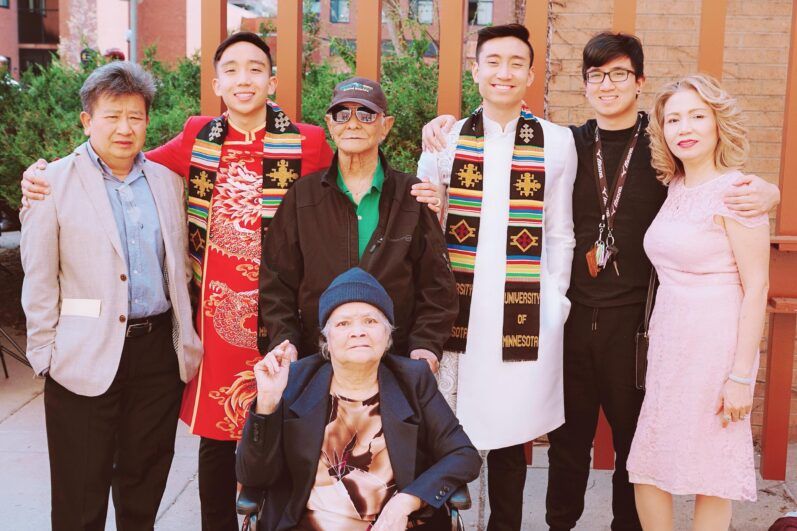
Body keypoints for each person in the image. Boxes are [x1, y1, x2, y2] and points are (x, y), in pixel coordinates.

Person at [421, 32, 780, 531]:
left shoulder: (661, 152)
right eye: (596, 76)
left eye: (618, 74)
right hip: (572, 317)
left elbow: (714, 181)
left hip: (638, 325)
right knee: (567, 445)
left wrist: (767, 189)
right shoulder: (567, 141)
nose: (607, 85)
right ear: (585, 85)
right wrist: (440, 129)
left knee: (636, 446)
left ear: (639, 81)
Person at [19, 31, 334, 531]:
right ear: (215, 82)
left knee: (279, 438)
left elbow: (351, 185)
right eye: (231, 69)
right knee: (213, 443)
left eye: (255, 68)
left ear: (273, 80)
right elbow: (108, 162)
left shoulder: (309, 142)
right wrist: (40, 175)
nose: (244, 79)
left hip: (280, 320)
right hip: (211, 323)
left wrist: (426, 172)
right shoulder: (196, 138)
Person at [19, 61, 203, 530]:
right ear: (86, 120)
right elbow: (38, 277)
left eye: (136, 116)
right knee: (80, 489)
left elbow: (178, 264)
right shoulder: (50, 183)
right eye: (112, 115)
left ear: (147, 121)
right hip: (82, 356)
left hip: (158, 356)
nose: (125, 128)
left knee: (145, 480)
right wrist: (46, 353)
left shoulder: (167, 182)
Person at [417, 24, 576, 530]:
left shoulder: (555, 143)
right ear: (475, 70)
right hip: (459, 311)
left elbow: (560, 232)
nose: (503, 72)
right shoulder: (446, 141)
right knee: (446, 434)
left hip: (522, 311)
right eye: (493, 61)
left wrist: (555, 300)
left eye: (515, 63)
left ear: (530, 74)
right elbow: (425, 229)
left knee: (512, 436)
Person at [626, 74, 769, 530]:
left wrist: (742, 377)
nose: (683, 126)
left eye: (696, 115)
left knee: (712, 472)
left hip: (715, 346)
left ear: (717, 123)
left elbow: (757, 289)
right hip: (670, 345)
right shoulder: (675, 186)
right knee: (647, 466)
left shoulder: (739, 192)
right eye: (672, 118)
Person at [236, 267, 481, 530]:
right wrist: (268, 403)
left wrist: (406, 501)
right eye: (343, 323)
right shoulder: (294, 380)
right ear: (326, 340)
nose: (358, 331)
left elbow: (463, 454)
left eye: (371, 321)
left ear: (387, 335)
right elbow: (254, 476)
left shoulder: (413, 380)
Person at [260, 77, 458, 371]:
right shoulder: (303, 196)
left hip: (396, 365)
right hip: (318, 363)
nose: (353, 123)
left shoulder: (412, 196)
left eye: (366, 114)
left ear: (385, 126)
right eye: (342, 114)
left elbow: (437, 286)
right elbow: (276, 282)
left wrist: (425, 347)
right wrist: (285, 341)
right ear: (330, 124)